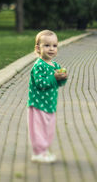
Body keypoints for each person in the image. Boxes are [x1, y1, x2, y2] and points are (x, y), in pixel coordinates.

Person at [27, 30, 68, 163]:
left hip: (50, 104)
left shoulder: (55, 65)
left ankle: (43, 151)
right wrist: (54, 77)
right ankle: (38, 152)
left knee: (48, 130)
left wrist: (62, 78)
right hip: (38, 104)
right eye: (47, 45)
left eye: (54, 46)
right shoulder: (38, 66)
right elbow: (41, 84)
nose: (51, 49)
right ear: (38, 48)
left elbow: (57, 83)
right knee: (38, 129)